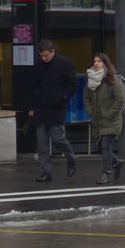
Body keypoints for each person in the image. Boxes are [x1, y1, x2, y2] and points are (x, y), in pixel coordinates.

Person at [29, 39, 78, 182]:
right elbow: (34, 87)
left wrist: (63, 97)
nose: (44, 59)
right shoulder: (37, 65)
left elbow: (73, 84)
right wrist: (32, 107)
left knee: (58, 138)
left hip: (56, 108)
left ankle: (71, 159)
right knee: (41, 142)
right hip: (40, 108)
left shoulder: (65, 64)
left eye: (46, 56)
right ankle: (46, 171)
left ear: (53, 52)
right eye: (42, 56)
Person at [83, 52, 125, 184]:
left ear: (105, 64)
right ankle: (116, 162)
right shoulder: (91, 80)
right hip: (98, 120)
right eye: (94, 61)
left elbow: (119, 99)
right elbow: (86, 98)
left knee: (106, 146)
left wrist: (108, 113)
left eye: (99, 61)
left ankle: (106, 173)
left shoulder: (113, 80)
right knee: (100, 147)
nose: (96, 63)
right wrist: (91, 112)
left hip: (111, 120)